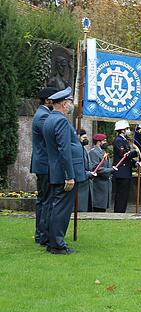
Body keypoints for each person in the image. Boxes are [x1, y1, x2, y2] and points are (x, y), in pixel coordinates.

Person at [42, 87, 86, 254]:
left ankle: (52, 241)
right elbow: (64, 149)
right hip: (64, 173)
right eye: (67, 102)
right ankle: (58, 245)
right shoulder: (60, 120)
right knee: (61, 209)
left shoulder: (50, 119)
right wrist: (69, 175)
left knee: (55, 207)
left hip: (56, 170)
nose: (69, 105)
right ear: (62, 104)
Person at [30, 86, 58, 246]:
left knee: (43, 200)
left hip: (43, 164)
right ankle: (42, 235)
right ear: (48, 100)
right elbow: (53, 136)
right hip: (45, 165)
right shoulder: (43, 117)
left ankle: (41, 234)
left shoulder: (42, 114)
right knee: (46, 201)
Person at [112, 120, 139, 213]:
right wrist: (136, 152)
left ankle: (122, 211)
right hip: (121, 172)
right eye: (127, 128)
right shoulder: (118, 140)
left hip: (126, 171)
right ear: (122, 130)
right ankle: (119, 212)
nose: (128, 130)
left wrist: (135, 163)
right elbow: (124, 155)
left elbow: (127, 158)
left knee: (124, 194)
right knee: (121, 194)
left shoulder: (124, 140)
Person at [88, 134, 113, 212]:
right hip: (98, 184)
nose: (106, 142)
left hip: (105, 184)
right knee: (98, 208)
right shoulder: (94, 152)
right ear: (98, 142)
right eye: (104, 141)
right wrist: (111, 170)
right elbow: (96, 168)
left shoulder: (103, 151)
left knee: (102, 209)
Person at [76, 129, 93, 212]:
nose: (86, 139)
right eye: (84, 137)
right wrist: (88, 173)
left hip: (86, 179)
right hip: (81, 180)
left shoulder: (83, 148)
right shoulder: (77, 148)